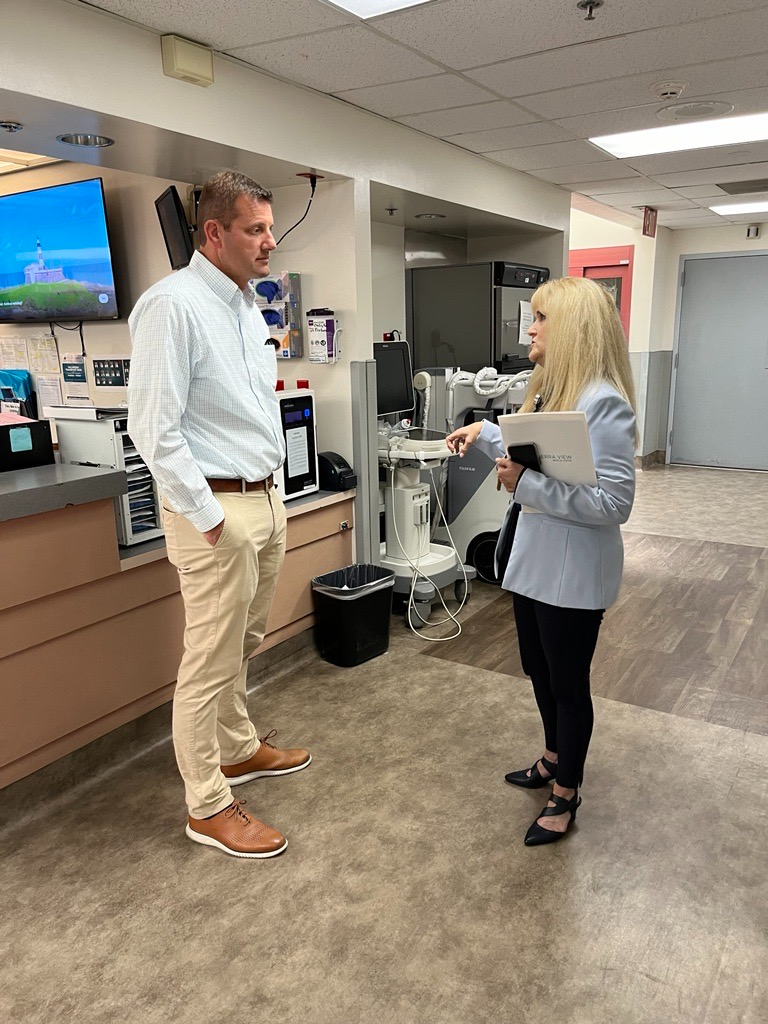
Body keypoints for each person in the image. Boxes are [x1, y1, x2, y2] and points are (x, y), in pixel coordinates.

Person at [128, 171, 311, 860]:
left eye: (270, 227)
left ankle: (236, 748)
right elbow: (153, 428)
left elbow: (252, 411)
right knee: (208, 659)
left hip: (264, 498)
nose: (270, 241)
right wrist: (208, 517)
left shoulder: (245, 306)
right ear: (214, 233)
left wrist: (275, 495)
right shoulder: (170, 306)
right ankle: (207, 804)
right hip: (215, 508)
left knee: (245, 638)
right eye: (256, 229)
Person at [446, 276, 636, 846]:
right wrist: (484, 436)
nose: (529, 328)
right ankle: (553, 757)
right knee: (537, 669)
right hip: (535, 565)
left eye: (540, 318)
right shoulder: (550, 387)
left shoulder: (604, 401)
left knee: (568, 684)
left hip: (574, 574)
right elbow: (532, 455)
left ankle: (567, 792)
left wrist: (527, 486)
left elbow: (614, 502)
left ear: (572, 326)